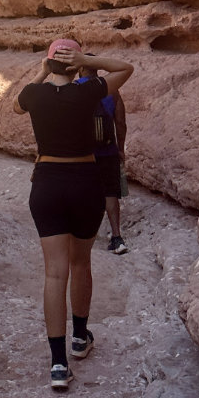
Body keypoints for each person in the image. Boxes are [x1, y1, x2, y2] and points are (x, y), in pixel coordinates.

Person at [13, 38, 134, 391]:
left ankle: (58, 364)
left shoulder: (35, 95)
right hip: (85, 182)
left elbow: (18, 106)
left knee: (54, 274)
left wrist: (42, 70)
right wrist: (87, 60)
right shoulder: (89, 91)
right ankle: (80, 338)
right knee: (81, 263)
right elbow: (126, 68)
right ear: (76, 65)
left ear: (50, 65)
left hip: (47, 184)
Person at [75, 64, 130, 255]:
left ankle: (79, 234)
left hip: (82, 153)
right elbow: (121, 123)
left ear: (81, 70)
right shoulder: (111, 90)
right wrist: (120, 149)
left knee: (81, 191)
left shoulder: (73, 89)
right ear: (97, 70)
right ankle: (116, 237)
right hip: (107, 151)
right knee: (110, 193)